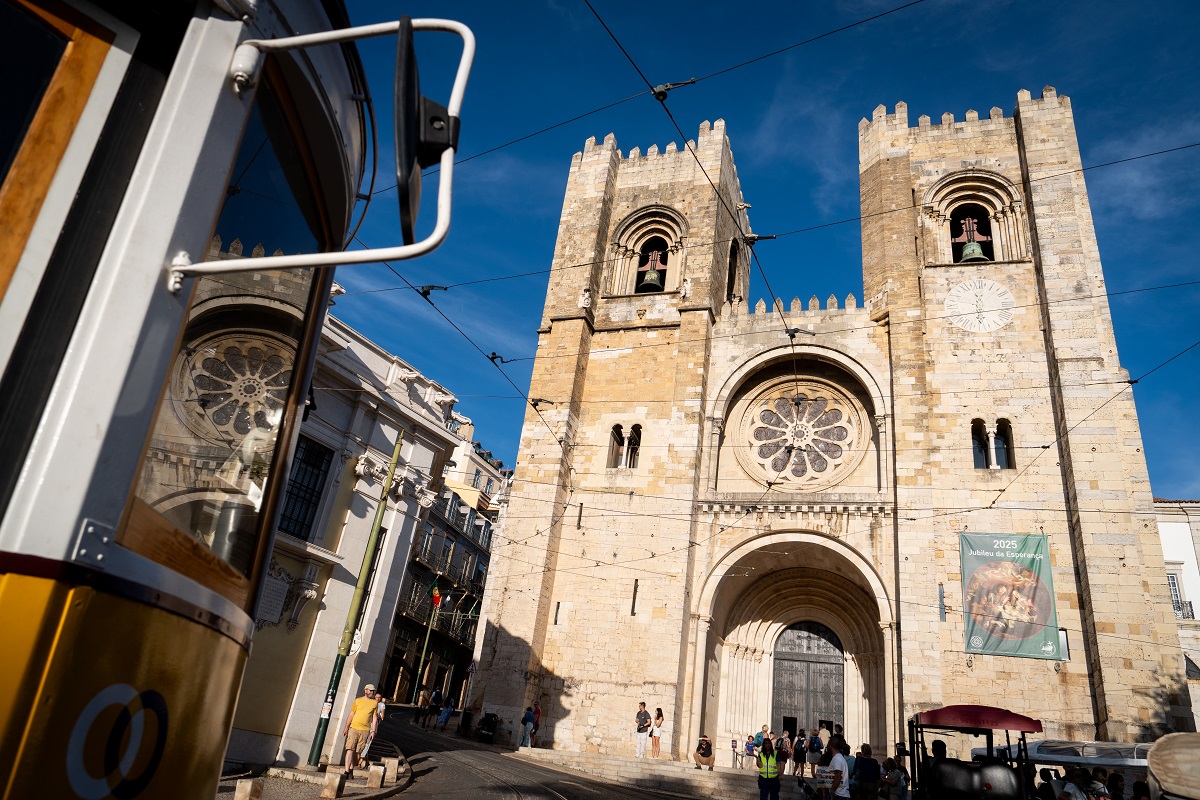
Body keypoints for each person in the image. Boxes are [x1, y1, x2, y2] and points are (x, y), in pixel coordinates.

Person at [341, 684, 379, 778]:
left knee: (358, 753)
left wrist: (373, 731)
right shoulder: (357, 701)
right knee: (350, 749)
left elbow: (374, 718)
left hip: (365, 730)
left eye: (373, 691)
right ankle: (346, 771)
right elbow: (351, 714)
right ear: (365, 690)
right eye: (370, 690)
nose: (371, 692)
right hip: (354, 728)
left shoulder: (374, 703)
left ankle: (351, 768)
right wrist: (346, 727)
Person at [757, 735, 782, 800]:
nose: (767, 745)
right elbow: (759, 766)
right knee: (763, 797)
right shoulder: (761, 754)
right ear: (764, 745)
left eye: (769, 743)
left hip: (773, 779)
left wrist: (780, 775)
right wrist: (757, 758)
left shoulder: (775, 754)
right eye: (766, 743)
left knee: (774, 797)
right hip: (763, 779)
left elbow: (778, 765)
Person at [828, 735, 851, 800]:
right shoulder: (839, 757)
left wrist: (832, 790)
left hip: (840, 795)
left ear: (830, 746)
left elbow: (838, 776)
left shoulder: (837, 759)